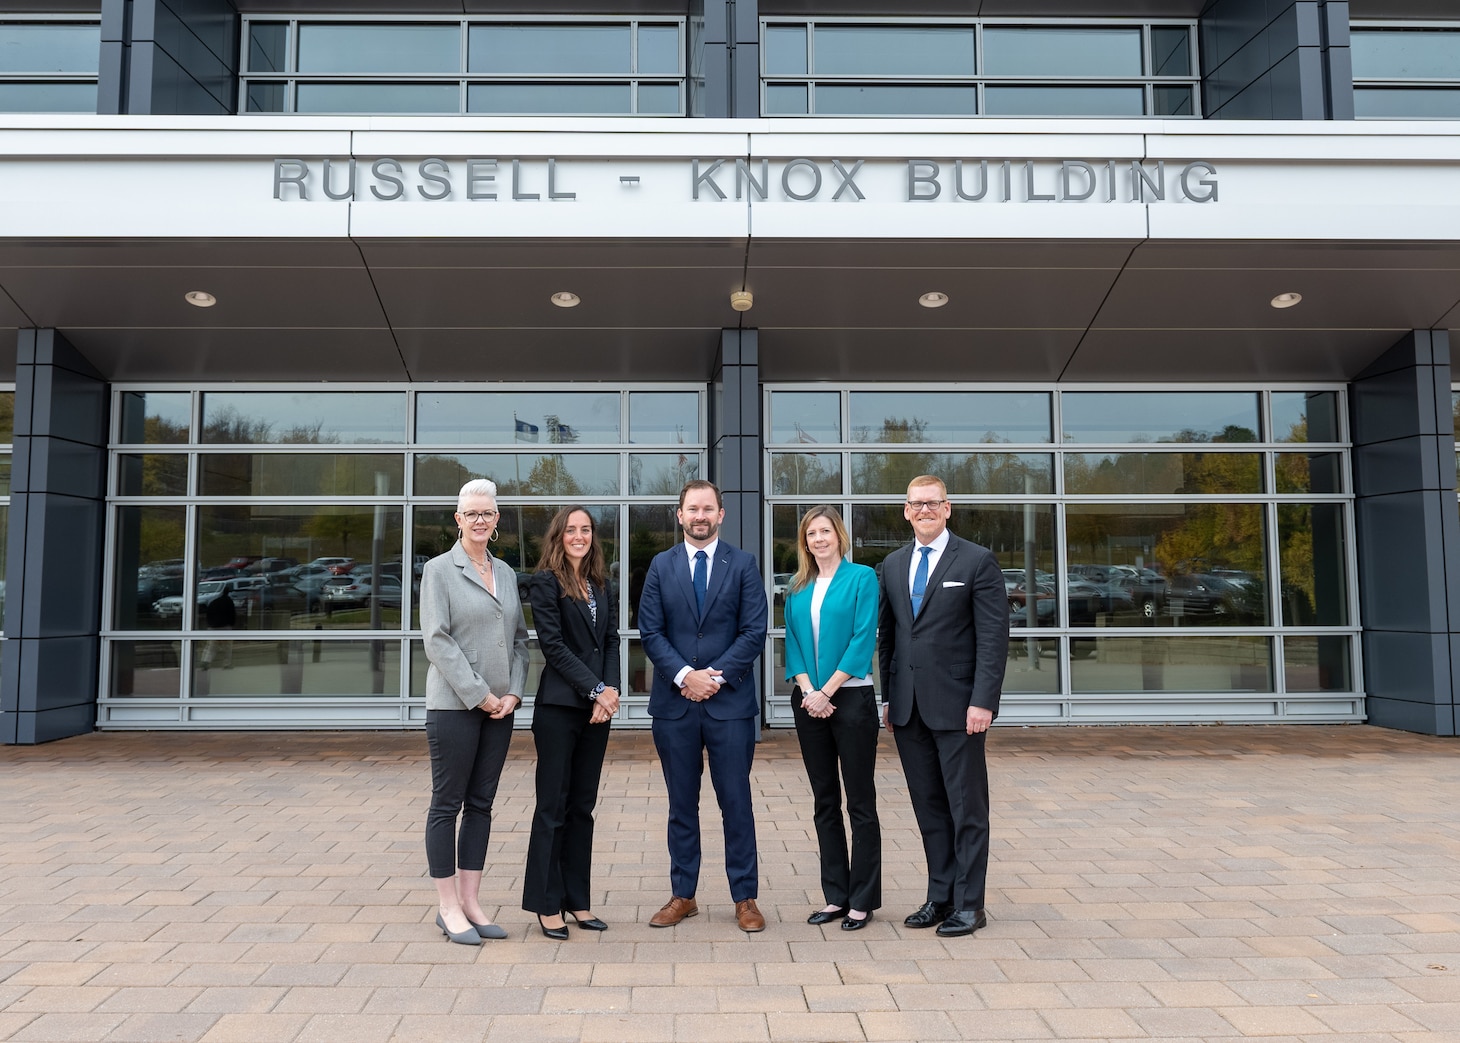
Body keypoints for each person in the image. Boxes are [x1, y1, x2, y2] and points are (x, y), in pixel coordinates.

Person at [878, 475, 1008, 938]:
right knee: (929, 807)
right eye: (916, 504)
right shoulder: (892, 565)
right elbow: (890, 637)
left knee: (966, 808)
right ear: (906, 510)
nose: (925, 510)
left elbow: (993, 640)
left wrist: (983, 702)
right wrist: (889, 700)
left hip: (959, 710)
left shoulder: (976, 561)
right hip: (909, 710)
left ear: (947, 508)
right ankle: (941, 895)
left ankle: (971, 905)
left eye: (933, 502)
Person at [637, 479, 770, 932]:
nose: (700, 515)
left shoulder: (744, 565)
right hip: (675, 707)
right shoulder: (660, 566)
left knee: (736, 802)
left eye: (707, 508)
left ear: (721, 514)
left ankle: (745, 898)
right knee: (681, 804)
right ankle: (683, 895)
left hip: (728, 704)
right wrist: (683, 677)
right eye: (692, 508)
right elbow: (650, 631)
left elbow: (754, 630)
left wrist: (711, 678)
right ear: (679, 515)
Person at [419, 478, 528, 945]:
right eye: (472, 514)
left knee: (480, 805)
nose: (480, 520)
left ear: (497, 520)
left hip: (500, 711)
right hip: (455, 706)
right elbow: (436, 640)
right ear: (458, 520)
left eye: (488, 513)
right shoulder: (440, 570)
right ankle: (447, 907)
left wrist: (514, 695)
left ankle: (471, 901)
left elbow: (520, 640)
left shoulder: (505, 572)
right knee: (447, 804)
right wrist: (480, 694)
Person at [522, 506, 621, 940]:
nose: (578, 536)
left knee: (583, 808)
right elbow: (554, 647)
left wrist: (611, 691)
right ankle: (547, 906)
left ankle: (578, 901)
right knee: (553, 808)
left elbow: (613, 641)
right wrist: (597, 689)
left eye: (585, 530)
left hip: (597, 712)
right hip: (560, 709)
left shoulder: (602, 584)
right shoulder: (545, 583)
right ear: (558, 536)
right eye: (571, 530)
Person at [782, 505, 882, 931]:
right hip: (808, 704)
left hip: (852, 700)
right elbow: (793, 645)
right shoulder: (797, 585)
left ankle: (863, 899)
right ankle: (835, 896)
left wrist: (828, 691)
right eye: (811, 534)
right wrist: (809, 691)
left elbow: (863, 639)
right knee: (824, 802)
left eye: (825, 531)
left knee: (859, 801)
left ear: (839, 535)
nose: (818, 539)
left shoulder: (861, 578)